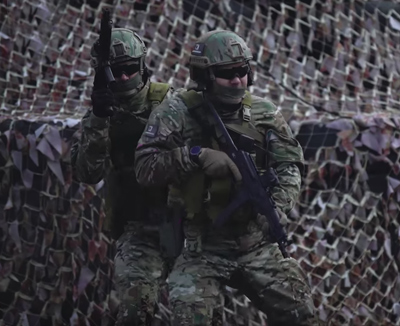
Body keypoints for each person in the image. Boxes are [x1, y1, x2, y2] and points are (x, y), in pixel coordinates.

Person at [133, 30, 318, 326]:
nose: (237, 80)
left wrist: (278, 207)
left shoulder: (263, 113)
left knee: (301, 315)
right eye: (226, 73)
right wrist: (194, 155)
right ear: (204, 76)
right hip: (200, 247)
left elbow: (289, 166)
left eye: (242, 71)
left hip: (256, 241)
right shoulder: (178, 111)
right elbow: (144, 166)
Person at [71, 27, 180, 326]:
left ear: (143, 67)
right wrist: (98, 119)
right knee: (134, 311)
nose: (122, 78)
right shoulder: (100, 117)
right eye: (115, 71)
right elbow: (87, 172)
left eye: (129, 69)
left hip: (187, 223)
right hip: (140, 229)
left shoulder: (172, 103)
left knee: (198, 309)